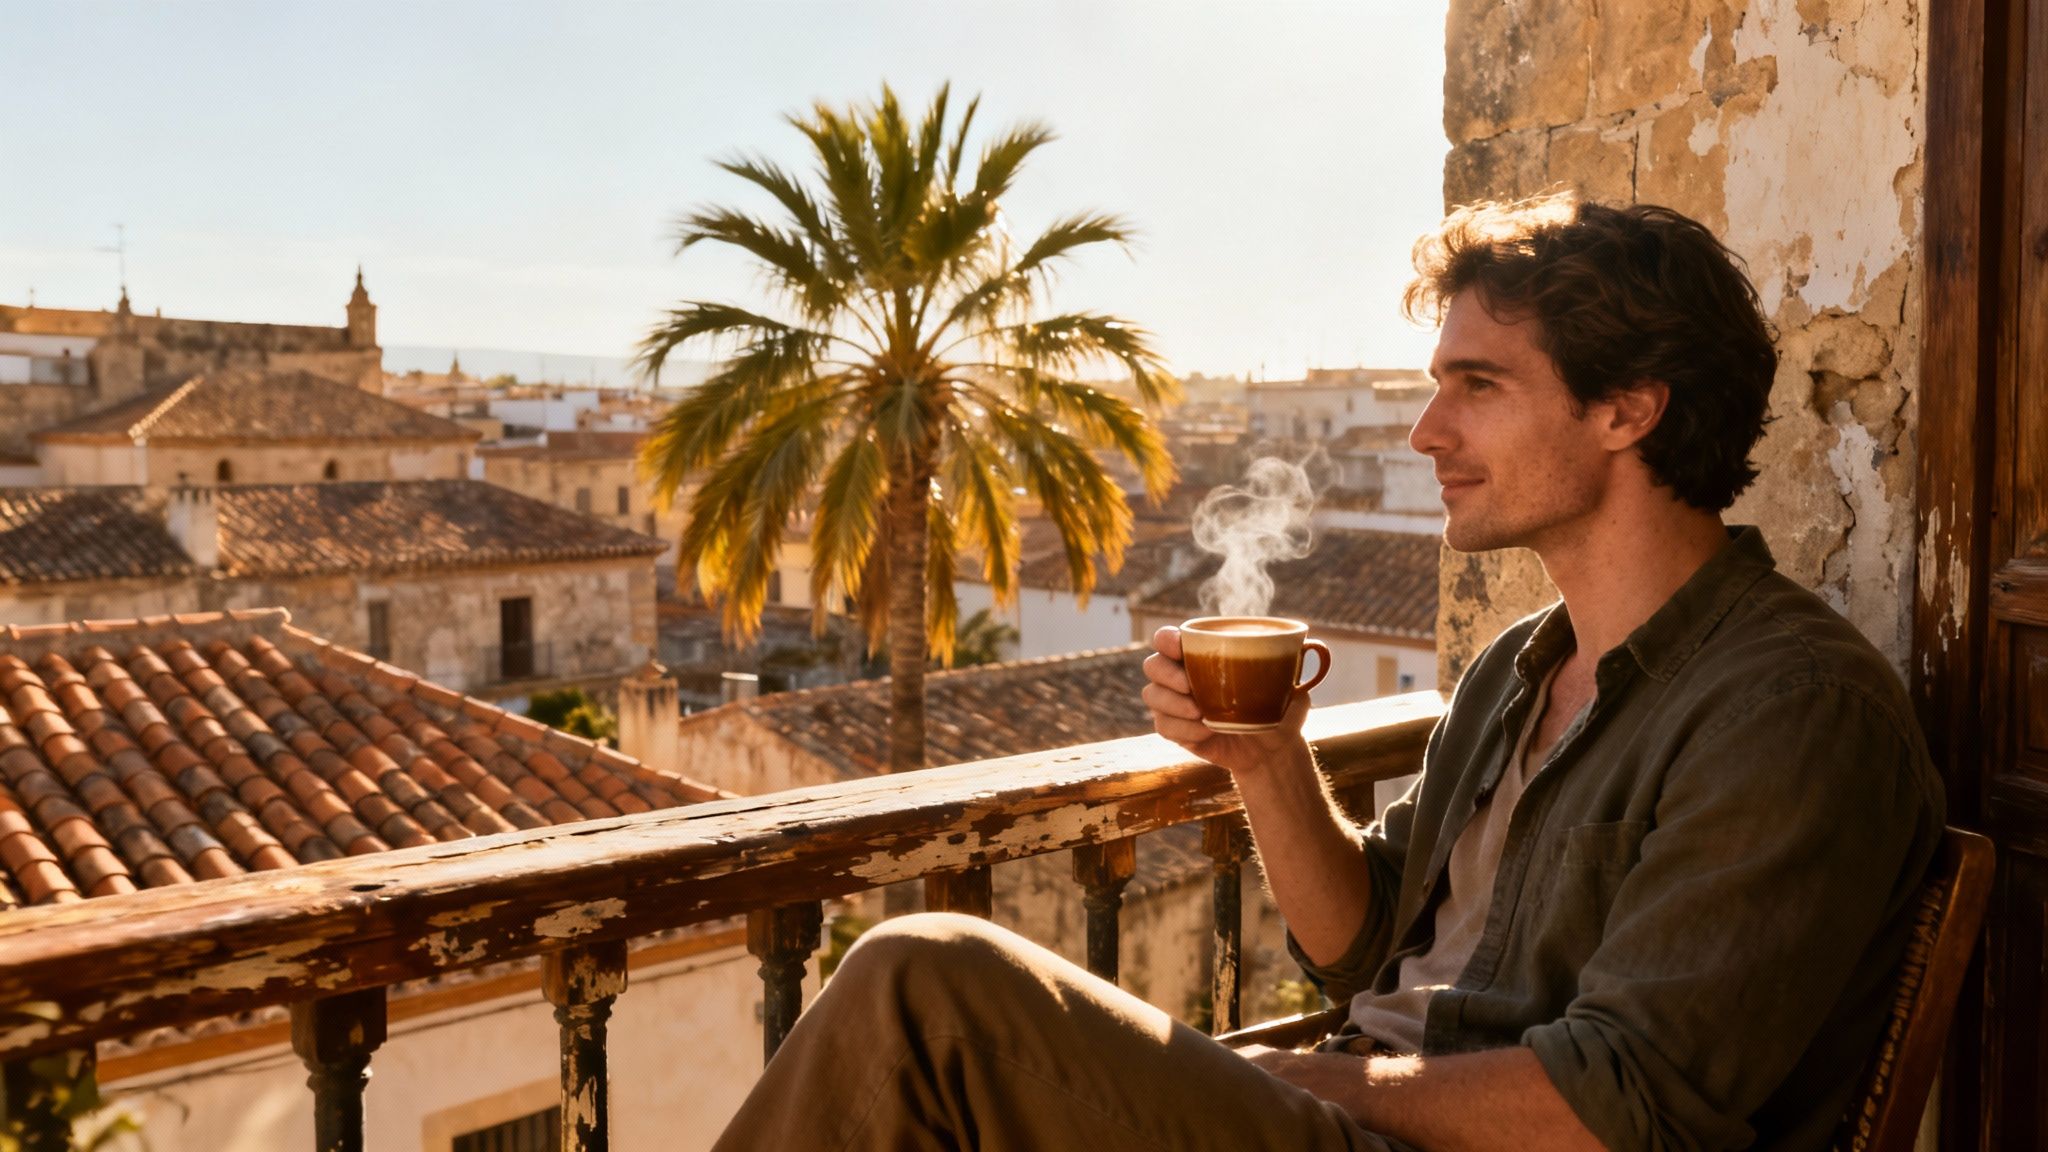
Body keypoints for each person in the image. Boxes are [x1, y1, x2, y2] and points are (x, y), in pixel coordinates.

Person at [710, 195, 1945, 1152]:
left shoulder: (1788, 711)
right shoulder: (1522, 667)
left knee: (929, 981)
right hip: (1352, 1111)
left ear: (1625, 410)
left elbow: (1613, 1112)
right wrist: (1264, 758)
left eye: (1476, 385)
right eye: (1430, 386)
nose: (1425, 433)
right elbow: (1363, 952)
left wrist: (1301, 1077)